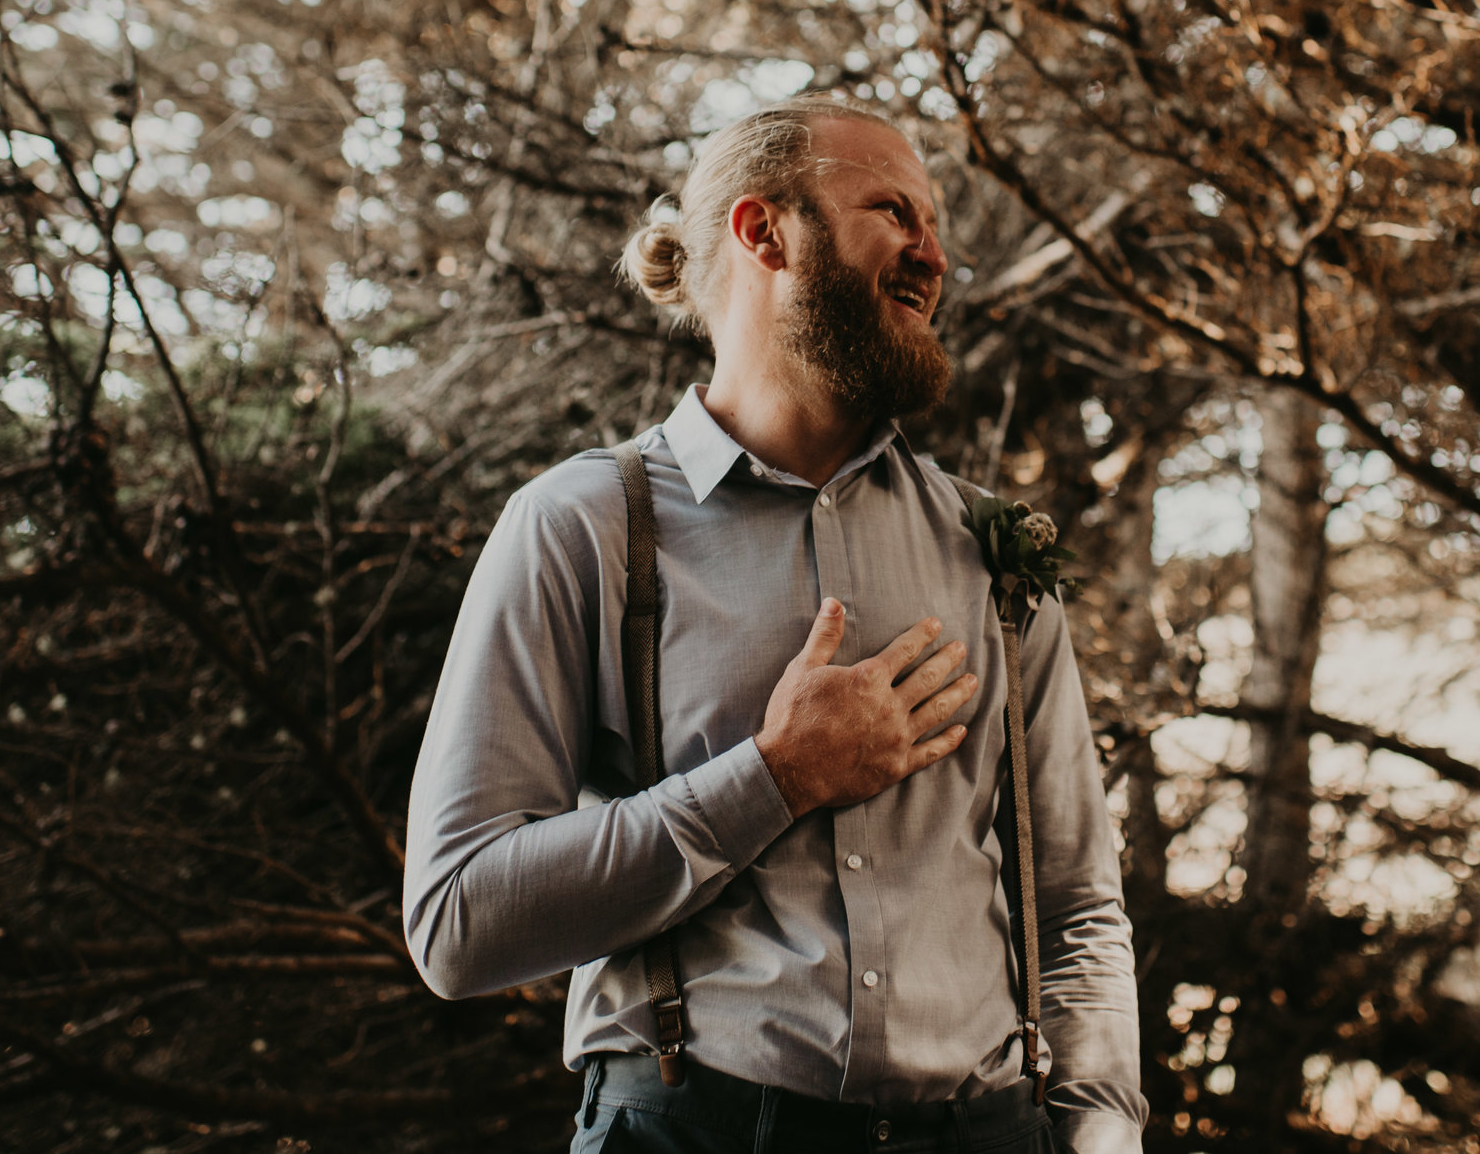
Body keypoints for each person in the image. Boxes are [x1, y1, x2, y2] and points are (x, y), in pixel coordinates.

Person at [403, 98, 1145, 1153]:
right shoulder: (583, 526)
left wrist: (1102, 1130)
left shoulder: (994, 551)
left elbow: (1074, 908)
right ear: (765, 233)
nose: (934, 259)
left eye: (932, 227)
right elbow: (457, 920)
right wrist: (775, 776)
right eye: (895, 212)